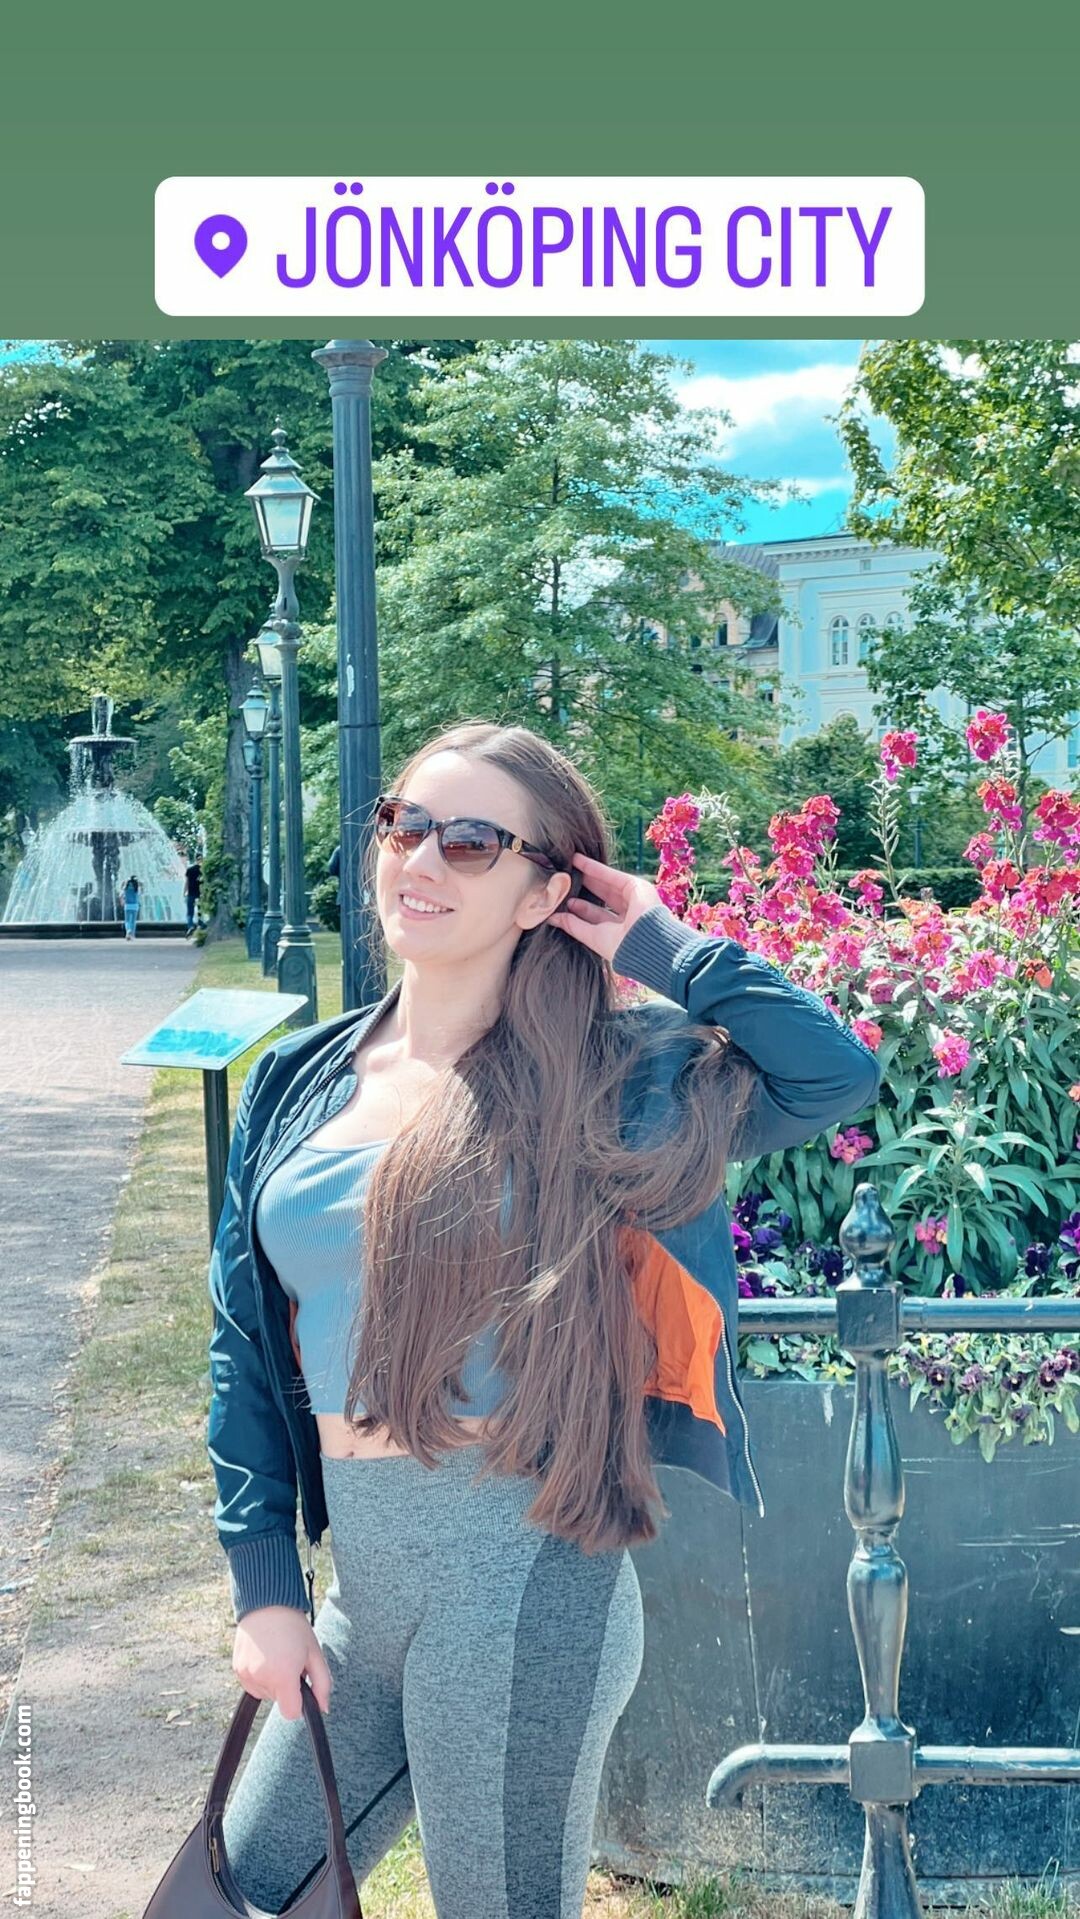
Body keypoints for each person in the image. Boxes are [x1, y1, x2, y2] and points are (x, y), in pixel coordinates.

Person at [206, 720, 882, 1916]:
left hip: (523, 1582)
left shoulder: (615, 1078)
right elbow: (244, 1349)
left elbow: (831, 1072)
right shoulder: (294, 1079)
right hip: (364, 1588)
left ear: (542, 892)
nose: (421, 858)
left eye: (471, 841)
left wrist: (657, 941)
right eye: (404, 825)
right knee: (238, 1891)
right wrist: (265, 1585)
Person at [184, 858, 202, 934]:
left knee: (190, 911)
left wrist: (184, 892)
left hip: (191, 893)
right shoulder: (202, 870)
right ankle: (200, 924)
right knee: (200, 910)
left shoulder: (190, 870)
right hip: (199, 893)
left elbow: (187, 882)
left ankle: (190, 926)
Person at [122, 874, 141, 941]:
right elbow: (140, 894)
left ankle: (128, 931)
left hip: (127, 905)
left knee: (127, 920)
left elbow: (122, 895)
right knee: (133, 921)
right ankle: (132, 934)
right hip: (135, 905)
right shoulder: (136, 888)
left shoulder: (125, 888)